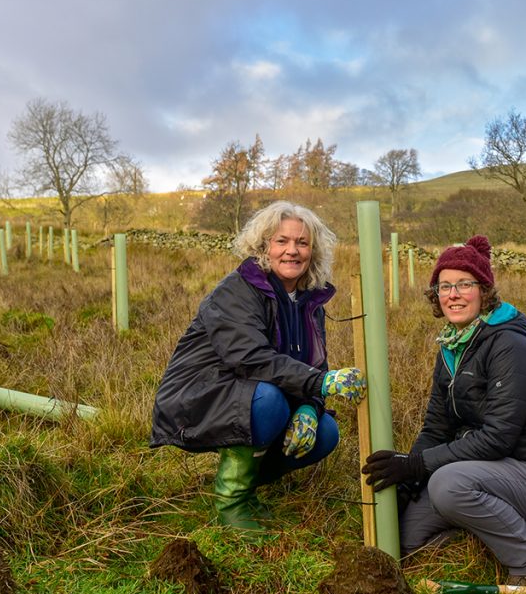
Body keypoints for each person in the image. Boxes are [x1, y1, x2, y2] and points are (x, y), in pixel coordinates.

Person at [362, 235, 526, 586]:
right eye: (444, 286)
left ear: (484, 291)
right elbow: (435, 426)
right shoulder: (452, 347)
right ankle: (477, 531)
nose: (453, 294)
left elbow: (499, 438)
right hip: (480, 473)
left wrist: (420, 466)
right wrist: (410, 475)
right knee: (405, 542)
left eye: (464, 284)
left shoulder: (510, 345)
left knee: (447, 484)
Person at [151, 201, 366, 533]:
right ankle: (231, 500)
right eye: (282, 241)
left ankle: (247, 482)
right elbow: (251, 359)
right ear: (265, 245)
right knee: (269, 402)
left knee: (325, 432)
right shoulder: (239, 290)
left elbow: (315, 365)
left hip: (252, 391)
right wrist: (321, 383)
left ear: (313, 251)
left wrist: (310, 406)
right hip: (202, 392)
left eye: (302, 243)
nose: (292, 251)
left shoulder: (309, 301)